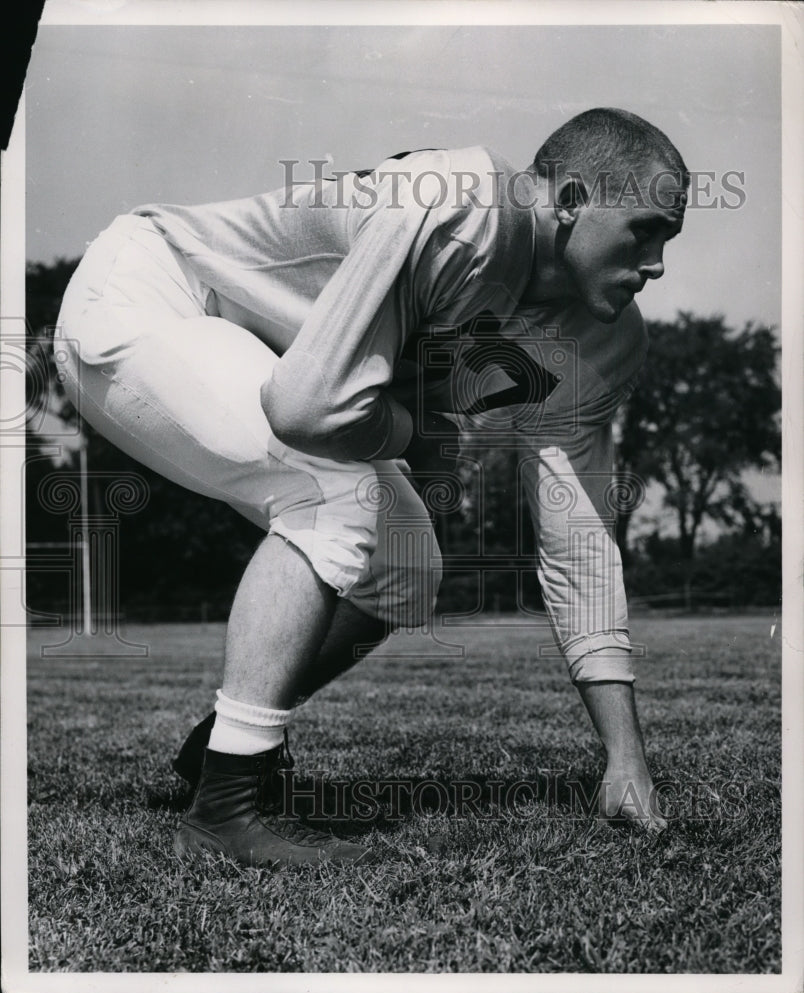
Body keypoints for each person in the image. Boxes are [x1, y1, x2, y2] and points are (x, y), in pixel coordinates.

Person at [55, 108, 688, 868]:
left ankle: (219, 749)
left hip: (248, 353)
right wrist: (419, 436)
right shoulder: (462, 203)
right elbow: (306, 408)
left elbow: (579, 536)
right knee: (336, 491)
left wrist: (625, 757)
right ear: (573, 200)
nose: (656, 264)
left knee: (405, 564)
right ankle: (226, 807)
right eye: (645, 230)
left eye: (669, 239)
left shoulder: (601, 338)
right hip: (148, 295)